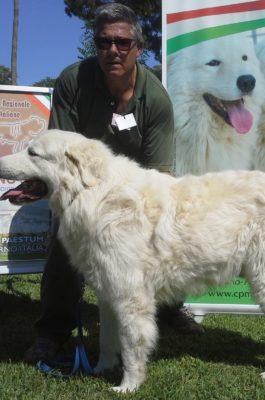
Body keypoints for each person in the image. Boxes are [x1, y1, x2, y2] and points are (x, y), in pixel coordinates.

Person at [24, 3, 203, 364]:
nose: (113, 50)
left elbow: (159, 174)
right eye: (104, 42)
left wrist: (141, 214)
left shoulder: (156, 99)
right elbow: (59, 152)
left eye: (122, 42)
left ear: (138, 48)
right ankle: (53, 330)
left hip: (135, 187)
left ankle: (169, 306)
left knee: (162, 234)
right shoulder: (73, 81)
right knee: (64, 238)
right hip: (82, 184)